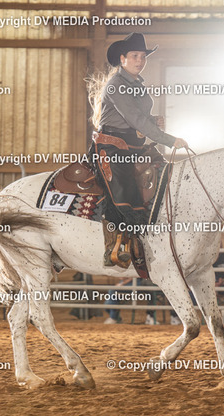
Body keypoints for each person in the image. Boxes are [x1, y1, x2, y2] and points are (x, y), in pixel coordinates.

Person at [87, 32, 189, 267]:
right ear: (122, 59)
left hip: (134, 145)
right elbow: (134, 119)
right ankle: (115, 247)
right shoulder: (116, 85)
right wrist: (168, 139)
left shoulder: (137, 86)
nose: (140, 61)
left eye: (143, 57)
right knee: (122, 186)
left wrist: (153, 121)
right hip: (112, 147)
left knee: (162, 171)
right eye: (135, 56)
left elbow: (138, 118)